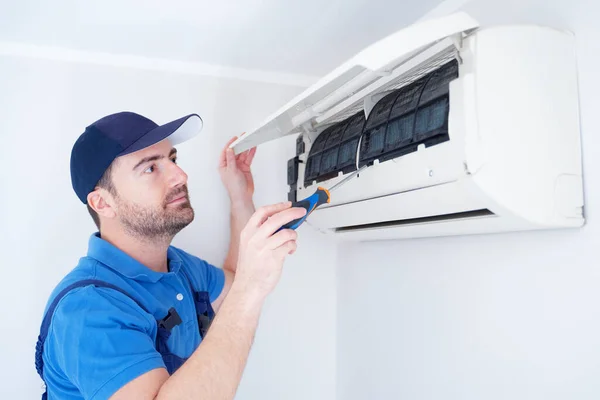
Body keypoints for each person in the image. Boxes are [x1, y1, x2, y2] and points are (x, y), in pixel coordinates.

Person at [34, 111, 305, 399]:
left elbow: (233, 286)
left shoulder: (176, 267)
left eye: (172, 160)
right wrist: (251, 289)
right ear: (102, 202)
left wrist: (240, 197)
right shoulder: (88, 310)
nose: (181, 176)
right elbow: (243, 289)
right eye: (150, 168)